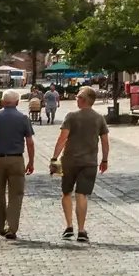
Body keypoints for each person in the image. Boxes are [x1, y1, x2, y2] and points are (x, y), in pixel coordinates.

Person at [50, 88, 109, 243]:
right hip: (90, 163)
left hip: (69, 161)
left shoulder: (71, 116)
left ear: (83, 99)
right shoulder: (99, 118)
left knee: (66, 192)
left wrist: (54, 160)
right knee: (82, 194)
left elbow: (62, 139)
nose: (76, 99)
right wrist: (105, 160)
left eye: (77, 97)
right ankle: (81, 230)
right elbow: (105, 141)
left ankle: (69, 227)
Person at [0, 89, 36, 241]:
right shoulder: (23, 118)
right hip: (16, 160)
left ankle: (0, 226)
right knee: (16, 194)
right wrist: (31, 161)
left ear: (3, 102)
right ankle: (11, 227)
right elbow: (30, 143)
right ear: (17, 102)